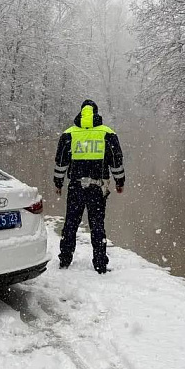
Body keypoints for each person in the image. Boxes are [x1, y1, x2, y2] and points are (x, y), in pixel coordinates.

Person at [53, 100, 125, 274]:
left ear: (81, 113)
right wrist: (120, 181)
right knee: (97, 224)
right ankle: (100, 264)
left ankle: (65, 259)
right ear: (96, 114)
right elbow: (116, 161)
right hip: (97, 188)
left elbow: (61, 162)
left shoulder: (69, 134)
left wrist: (58, 182)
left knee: (71, 223)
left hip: (76, 187)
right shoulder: (107, 134)